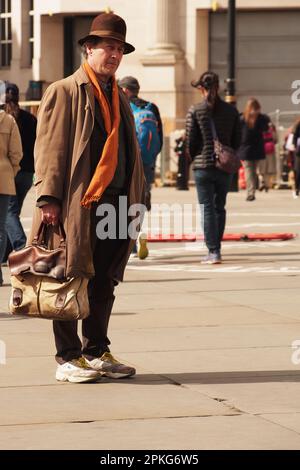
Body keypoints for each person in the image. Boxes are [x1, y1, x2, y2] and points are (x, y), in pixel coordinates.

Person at [28, 12, 145, 383]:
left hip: (117, 203)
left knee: (104, 279)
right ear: (88, 49)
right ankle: (67, 357)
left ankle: (96, 350)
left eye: (118, 49)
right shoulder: (64, 90)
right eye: (107, 47)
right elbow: (50, 148)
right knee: (68, 275)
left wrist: (139, 202)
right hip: (77, 203)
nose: (113, 55)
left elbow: (130, 154)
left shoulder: (119, 96)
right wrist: (48, 197)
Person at [185, 71, 241, 264]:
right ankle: (216, 248)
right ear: (218, 87)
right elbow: (237, 139)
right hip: (224, 167)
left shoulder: (196, 109)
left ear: (201, 88)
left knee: (207, 208)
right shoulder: (231, 111)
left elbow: (190, 141)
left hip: (203, 166)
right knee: (220, 208)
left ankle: (213, 251)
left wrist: (194, 158)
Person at [119, 75, 163, 259]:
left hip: (128, 162)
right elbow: (159, 135)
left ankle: (128, 245)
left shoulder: (123, 106)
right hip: (147, 162)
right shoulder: (151, 107)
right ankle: (136, 237)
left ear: (125, 91)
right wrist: (151, 158)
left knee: (123, 201)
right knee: (139, 201)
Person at [4, 82, 37, 252]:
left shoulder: (4, 119)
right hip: (27, 172)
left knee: (9, 212)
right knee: (12, 212)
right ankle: (5, 255)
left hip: (9, 171)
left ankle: (21, 246)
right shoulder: (30, 118)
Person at [0, 80, 22, 286]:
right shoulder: (8, 121)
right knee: (1, 227)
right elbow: (17, 154)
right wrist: (10, 171)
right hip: (4, 178)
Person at [238, 98, 271, 201]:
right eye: (253, 108)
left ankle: (260, 184)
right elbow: (237, 131)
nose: (254, 110)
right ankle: (251, 192)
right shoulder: (242, 118)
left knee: (257, 169)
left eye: (256, 108)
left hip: (256, 147)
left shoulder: (261, 118)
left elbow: (265, 128)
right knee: (249, 171)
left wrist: (260, 117)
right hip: (246, 148)